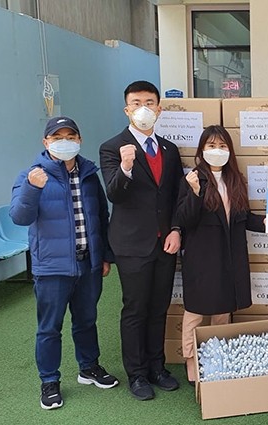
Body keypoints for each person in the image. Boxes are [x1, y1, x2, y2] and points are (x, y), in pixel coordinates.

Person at [10, 117, 118, 410]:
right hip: (52, 268)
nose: (65, 141)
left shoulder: (88, 174)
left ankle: (89, 368)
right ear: (46, 142)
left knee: (86, 321)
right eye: (58, 137)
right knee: (49, 328)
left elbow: (101, 218)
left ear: (79, 140)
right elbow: (19, 217)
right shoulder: (32, 175)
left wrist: (105, 256)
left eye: (71, 136)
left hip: (88, 265)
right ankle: (49, 381)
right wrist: (32, 189)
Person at [99, 81, 184, 400]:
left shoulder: (169, 149)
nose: (143, 108)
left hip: (166, 243)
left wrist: (177, 229)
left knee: (159, 307)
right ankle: (136, 375)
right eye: (136, 103)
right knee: (135, 309)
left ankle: (156, 367)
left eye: (150, 102)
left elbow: (177, 194)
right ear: (127, 109)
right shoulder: (112, 147)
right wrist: (126, 166)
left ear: (159, 109)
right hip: (132, 244)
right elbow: (113, 193)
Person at [175, 125, 266, 385]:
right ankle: (191, 362)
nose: (217, 151)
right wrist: (193, 193)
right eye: (211, 146)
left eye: (222, 146)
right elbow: (184, 220)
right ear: (201, 151)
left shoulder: (235, 180)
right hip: (202, 256)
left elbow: (244, 218)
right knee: (195, 311)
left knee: (223, 310)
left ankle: (216, 358)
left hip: (231, 254)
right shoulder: (193, 179)